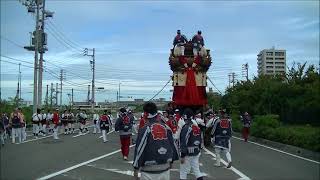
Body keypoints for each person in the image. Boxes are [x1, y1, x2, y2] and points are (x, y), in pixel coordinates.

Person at [133, 102, 179, 180]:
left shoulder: (145, 129)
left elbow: (140, 149)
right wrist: (172, 161)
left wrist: (136, 167)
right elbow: (173, 145)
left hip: (149, 170)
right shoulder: (166, 127)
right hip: (165, 168)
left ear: (145, 114)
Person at [179, 108, 204, 180]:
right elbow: (200, 139)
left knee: (183, 172)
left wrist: (182, 155)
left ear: (185, 116)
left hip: (187, 152)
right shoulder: (196, 127)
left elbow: (184, 141)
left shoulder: (186, 127)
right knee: (197, 171)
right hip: (196, 151)